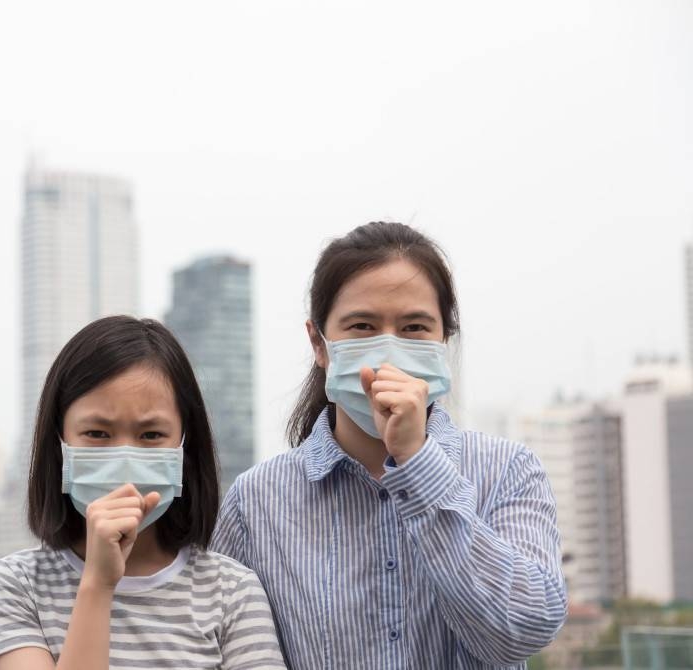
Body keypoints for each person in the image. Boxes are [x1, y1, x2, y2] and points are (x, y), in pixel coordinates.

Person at [211, 222, 567, 669]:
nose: (388, 351)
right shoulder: (256, 500)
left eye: (414, 327)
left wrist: (418, 462)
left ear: (444, 341)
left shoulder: (507, 470)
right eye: (362, 326)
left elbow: (525, 630)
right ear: (318, 343)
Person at [0, 315, 287, 670]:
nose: (124, 458)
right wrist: (98, 584)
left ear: (184, 445)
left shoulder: (232, 593)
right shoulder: (17, 586)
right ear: (59, 442)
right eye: (97, 433)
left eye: (151, 435)